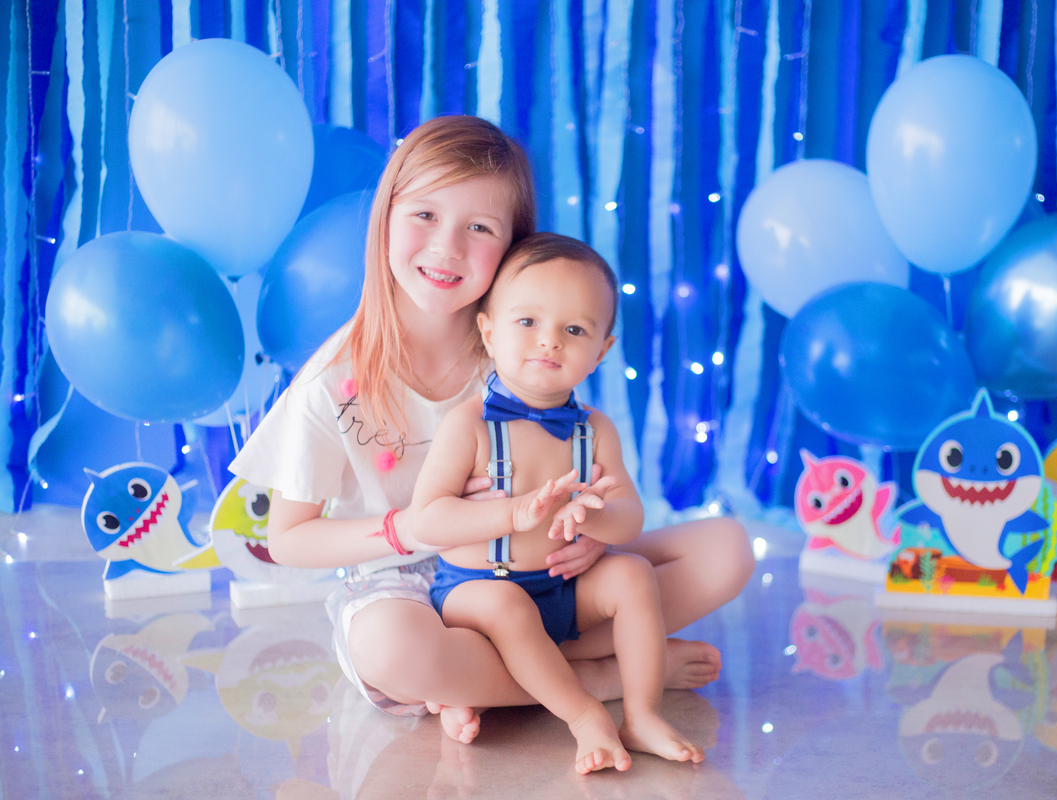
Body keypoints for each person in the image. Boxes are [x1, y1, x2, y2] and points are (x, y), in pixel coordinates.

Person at [232, 114, 753, 748]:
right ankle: (602, 679)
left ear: (512, 248)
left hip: (535, 565)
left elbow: (573, 465)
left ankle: (486, 683)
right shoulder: (331, 384)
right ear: (385, 217)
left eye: (478, 228)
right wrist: (411, 528)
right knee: (393, 651)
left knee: (726, 547)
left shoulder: (521, 342)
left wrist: (586, 532)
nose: (446, 247)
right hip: (406, 590)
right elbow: (287, 540)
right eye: (423, 215)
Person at [407, 233, 704, 774]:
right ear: (488, 330)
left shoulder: (597, 430)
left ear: (602, 351)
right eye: (528, 323)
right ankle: (585, 713)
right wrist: (512, 514)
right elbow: (426, 518)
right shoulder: (469, 425)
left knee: (634, 574)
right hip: (477, 593)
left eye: (574, 330)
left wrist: (597, 516)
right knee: (507, 607)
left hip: (562, 588)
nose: (550, 342)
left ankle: (641, 713)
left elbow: (632, 514)